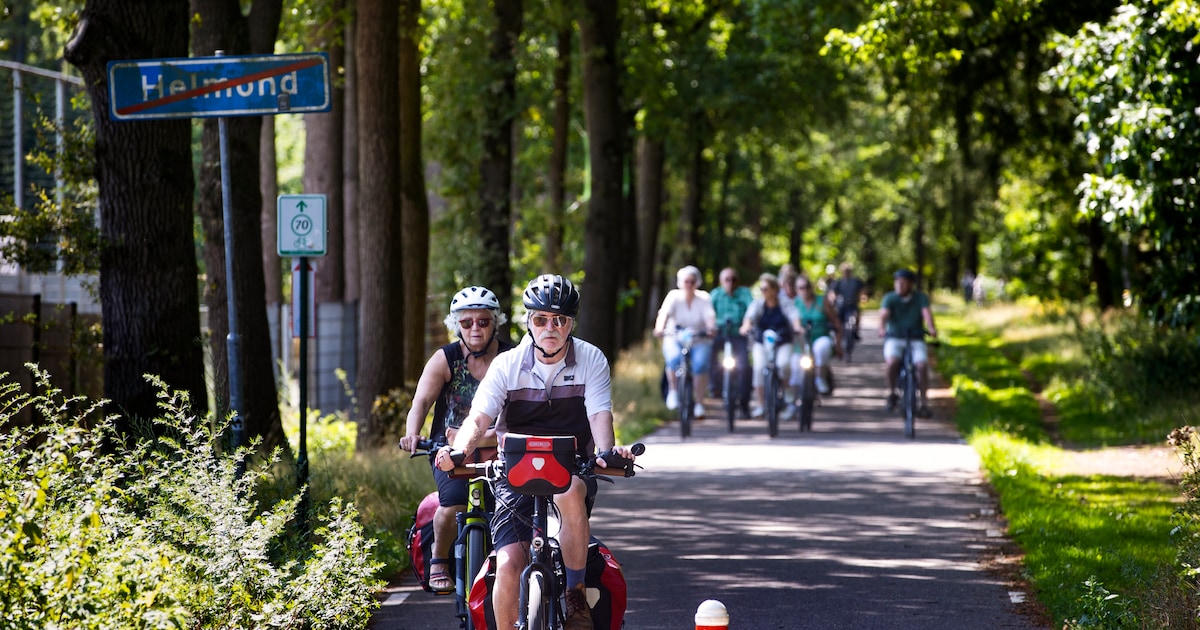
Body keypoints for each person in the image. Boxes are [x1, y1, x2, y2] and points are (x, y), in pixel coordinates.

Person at [435, 274, 635, 630]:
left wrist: (606, 452)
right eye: (541, 319)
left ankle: (576, 599)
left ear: (571, 323)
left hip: (571, 469)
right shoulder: (507, 364)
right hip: (515, 474)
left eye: (560, 320)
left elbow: (600, 416)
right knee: (509, 562)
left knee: (571, 490)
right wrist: (458, 451)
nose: (550, 328)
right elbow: (478, 419)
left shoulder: (591, 359)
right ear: (528, 321)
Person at [398, 286, 514, 593]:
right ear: (456, 326)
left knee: (512, 507)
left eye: (483, 321)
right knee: (451, 504)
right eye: (466, 323)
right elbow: (420, 402)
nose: (475, 328)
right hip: (449, 450)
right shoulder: (445, 358)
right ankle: (439, 560)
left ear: (495, 323)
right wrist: (412, 433)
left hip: (501, 449)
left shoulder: (512, 357)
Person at [653, 265, 716, 418]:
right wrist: (659, 328)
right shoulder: (673, 296)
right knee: (673, 359)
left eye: (692, 281)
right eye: (686, 281)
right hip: (675, 337)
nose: (689, 284)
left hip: (698, 339)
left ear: (697, 283)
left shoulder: (704, 298)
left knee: (701, 365)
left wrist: (710, 328)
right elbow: (664, 315)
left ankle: (699, 403)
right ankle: (673, 391)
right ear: (680, 283)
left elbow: (709, 317)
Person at [878, 269, 939, 418]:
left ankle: (924, 403)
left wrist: (931, 328)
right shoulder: (889, 298)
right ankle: (892, 393)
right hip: (895, 337)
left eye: (903, 282)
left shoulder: (920, 298)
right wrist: (881, 328)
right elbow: (884, 315)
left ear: (911, 284)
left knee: (921, 366)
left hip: (915, 337)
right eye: (897, 282)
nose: (900, 285)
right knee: (892, 362)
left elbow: (926, 313)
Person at [740, 273, 802, 418]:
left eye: (766, 289)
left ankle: (788, 396)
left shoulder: (784, 302)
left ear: (775, 289)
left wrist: (797, 327)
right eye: (761, 289)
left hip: (783, 341)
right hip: (762, 342)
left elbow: (794, 316)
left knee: (784, 364)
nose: (763, 292)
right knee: (759, 368)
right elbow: (749, 317)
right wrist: (746, 326)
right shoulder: (758, 304)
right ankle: (761, 405)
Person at [708, 267, 753, 414]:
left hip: (738, 334)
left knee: (744, 366)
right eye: (727, 279)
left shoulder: (745, 294)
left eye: (733, 279)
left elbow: (751, 311)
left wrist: (747, 325)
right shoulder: (715, 295)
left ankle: (744, 403)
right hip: (720, 334)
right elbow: (708, 313)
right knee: (709, 354)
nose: (730, 283)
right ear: (721, 281)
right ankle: (715, 385)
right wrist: (711, 326)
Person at [791, 275, 842, 396]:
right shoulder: (794, 304)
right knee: (794, 366)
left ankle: (820, 378)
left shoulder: (822, 301)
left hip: (820, 337)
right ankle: (793, 402)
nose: (805, 290)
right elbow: (793, 321)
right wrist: (798, 328)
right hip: (801, 343)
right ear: (797, 290)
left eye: (807, 287)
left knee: (822, 348)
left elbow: (837, 324)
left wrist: (838, 345)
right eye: (801, 288)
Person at [829, 262, 867, 343]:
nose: (846, 272)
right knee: (837, 319)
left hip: (853, 304)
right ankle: (837, 333)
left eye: (848, 271)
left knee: (856, 316)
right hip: (842, 305)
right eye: (845, 271)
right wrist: (833, 298)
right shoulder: (839, 282)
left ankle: (855, 332)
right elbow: (833, 292)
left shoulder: (856, 281)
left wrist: (863, 296)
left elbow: (863, 289)